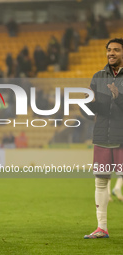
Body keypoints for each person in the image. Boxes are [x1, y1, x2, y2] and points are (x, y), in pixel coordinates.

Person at [84, 38, 123, 239]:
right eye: (109, 50)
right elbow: (97, 111)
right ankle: (102, 228)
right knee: (101, 181)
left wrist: (118, 98)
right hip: (102, 136)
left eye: (116, 50)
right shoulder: (98, 76)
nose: (111, 53)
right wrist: (87, 104)